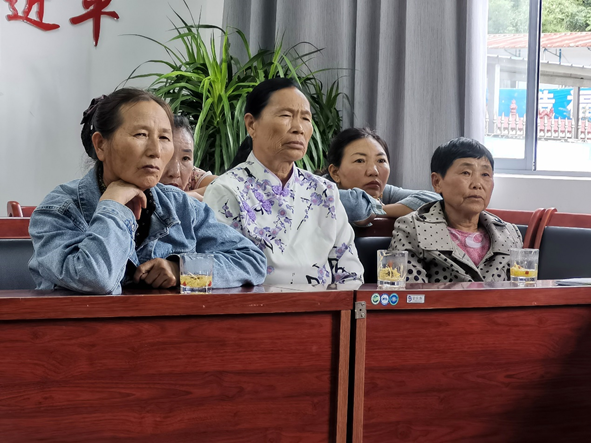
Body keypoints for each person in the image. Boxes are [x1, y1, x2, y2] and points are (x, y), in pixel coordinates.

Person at [29, 88, 267, 294]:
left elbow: (252, 262)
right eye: (141, 135)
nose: (156, 150)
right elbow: (96, 278)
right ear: (101, 144)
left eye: (164, 137)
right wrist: (113, 205)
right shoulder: (59, 210)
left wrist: (181, 270)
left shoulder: (181, 206)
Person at [203, 78, 364, 285]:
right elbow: (223, 273)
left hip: (324, 305)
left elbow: (350, 274)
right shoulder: (226, 191)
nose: (299, 128)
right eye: (286, 115)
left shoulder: (325, 192)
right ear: (251, 124)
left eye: (305, 118)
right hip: (258, 305)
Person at [389, 137, 522, 283]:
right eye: (466, 173)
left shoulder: (509, 234)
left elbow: (522, 292)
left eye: (485, 174)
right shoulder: (411, 228)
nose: (477, 184)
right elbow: (409, 293)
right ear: (437, 182)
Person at [326, 127, 441, 226]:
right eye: (360, 160)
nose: (374, 171)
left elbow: (437, 201)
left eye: (381, 160)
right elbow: (358, 209)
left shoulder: (377, 190)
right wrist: (378, 207)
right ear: (335, 173)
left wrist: (382, 209)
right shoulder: (319, 190)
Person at [160, 115, 217, 201]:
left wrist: (186, 196)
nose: (176, 172)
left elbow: (227, 185)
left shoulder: (192, 175)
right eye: (168, 156)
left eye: (185, 158)